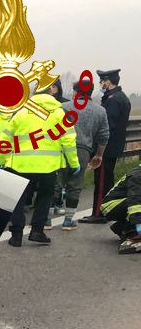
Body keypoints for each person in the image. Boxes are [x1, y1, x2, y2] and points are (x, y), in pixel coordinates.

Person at [6, 82, 80, 246]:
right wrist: (73, 163)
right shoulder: (59, 113)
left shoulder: (21, 112)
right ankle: (37, 231)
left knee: (19, 198)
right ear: (51, 92)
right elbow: (68, 140)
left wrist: (1, 160)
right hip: (48, 165)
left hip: (21, 164)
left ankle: (16, 235)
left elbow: (6, 137)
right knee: (45, 196)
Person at [81, 69, 131, 222]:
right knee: (107, 180)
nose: (101, 84)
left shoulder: (113, 100)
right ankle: (108, 211)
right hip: (114, 146)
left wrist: (98, 148)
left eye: (102, 81)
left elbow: (107, 126)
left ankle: (98, 213)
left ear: (108, 81)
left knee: (102, 182)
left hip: (106, 148)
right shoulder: (120, 97)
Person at [59, 79, 108, 230]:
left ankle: (46, 221)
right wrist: (99, 155)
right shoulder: (100, 111)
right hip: (83, 150)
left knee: (57, 181)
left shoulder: (64, 107)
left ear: (76, 92)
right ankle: (68, 220)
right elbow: (104, 135)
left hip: (61, 148)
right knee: (75, 184)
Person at [100, 163, 141, 253]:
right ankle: (131, 236)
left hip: (124, 202)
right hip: (111, 205)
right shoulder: (137, 175)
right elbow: (135, 202)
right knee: (137, 206)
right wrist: (139, 224)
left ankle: (121, 227)